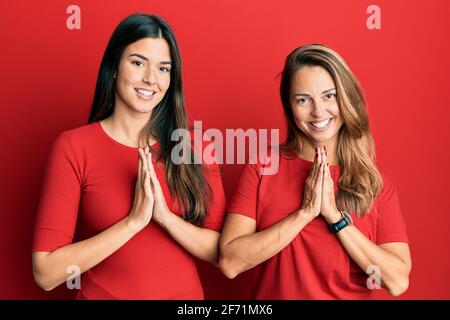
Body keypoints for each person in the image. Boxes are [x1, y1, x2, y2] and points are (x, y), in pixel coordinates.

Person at [32, 13, 226, 299]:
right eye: (138, 63)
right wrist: (133, 222)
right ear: (113, 67)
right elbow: (45, 273)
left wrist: (166, 219)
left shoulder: (196, 146)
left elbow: (224, 252)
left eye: (163, 69)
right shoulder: (73, 147)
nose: (150, 79)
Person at [219, 44, 411, 299]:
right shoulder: (263, 167)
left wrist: (335, 217)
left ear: (346, 99)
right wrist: (305, 213)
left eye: (329, 96)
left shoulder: (375, 184)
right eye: (303, 100)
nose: (318, 111)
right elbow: (230, 263)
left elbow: (397, 281)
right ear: (289, 106)